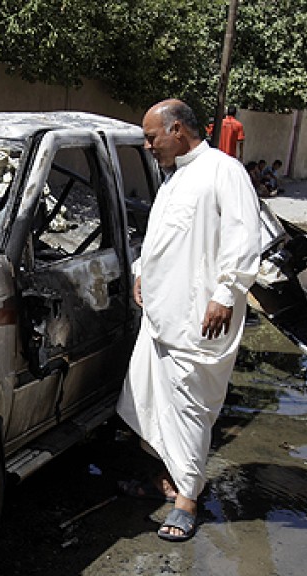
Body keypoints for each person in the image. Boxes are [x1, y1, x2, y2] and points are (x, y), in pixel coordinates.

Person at [116, 99, 261, 542]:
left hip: (199, 317)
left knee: (189, 409)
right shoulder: (176, 178)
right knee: (153, 403)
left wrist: (226, 293)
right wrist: (142, 271)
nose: (147, 145)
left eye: (151, 136)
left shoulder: (223, 171)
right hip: (163, 317)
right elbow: (161, 234)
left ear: (177, 129)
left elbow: (244, 235)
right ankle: (167, 480)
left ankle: (186, 501)